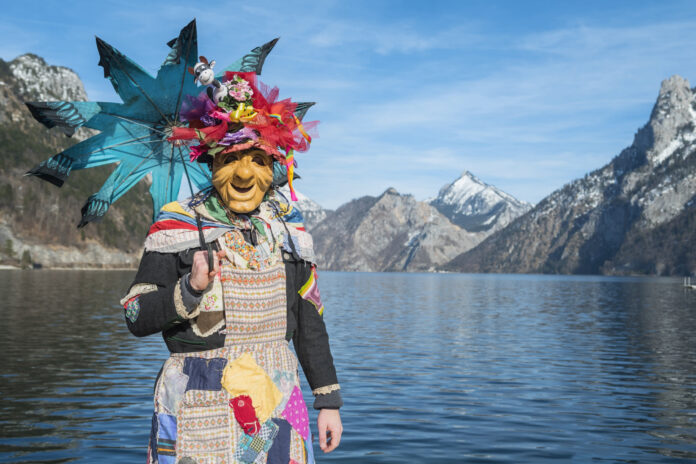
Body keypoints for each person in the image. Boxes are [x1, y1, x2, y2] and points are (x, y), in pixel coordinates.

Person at [120, 68, 342, 464]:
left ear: (275, 166)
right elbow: (136, 316)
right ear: (211, 163)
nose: (243, 174)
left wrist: (328, 401)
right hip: (199, 405)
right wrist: (189, 289)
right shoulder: (177, 229)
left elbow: (310, 322)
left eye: (258, 160)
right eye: (231, 158)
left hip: (278, 401)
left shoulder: (290, 234)